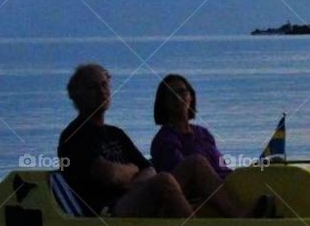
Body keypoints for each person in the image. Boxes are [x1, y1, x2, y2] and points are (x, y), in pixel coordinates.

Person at [58, 64, 246, 218]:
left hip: (136, 195)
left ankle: (241, 220)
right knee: (163, 181)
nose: (101, 92)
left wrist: (132, 179)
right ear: (76, 95)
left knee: (196, 162)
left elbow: (149, 169)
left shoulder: (116, 133)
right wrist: (132, 171)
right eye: (93, 87)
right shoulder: (75, 135)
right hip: (108, 209)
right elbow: (109, 175)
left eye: (104, 85)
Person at [150, 74, 274, 218]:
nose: (178, 98)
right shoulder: (165, 138)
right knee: (197, 162)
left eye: (182, 92)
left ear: (191, 96)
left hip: (220, 185)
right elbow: (181, 178)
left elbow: (221, 167)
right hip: (188, 195)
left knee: (262, 169)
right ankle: (236, 215)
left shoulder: (202, 133)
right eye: (171, 95)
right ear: (163, 103)